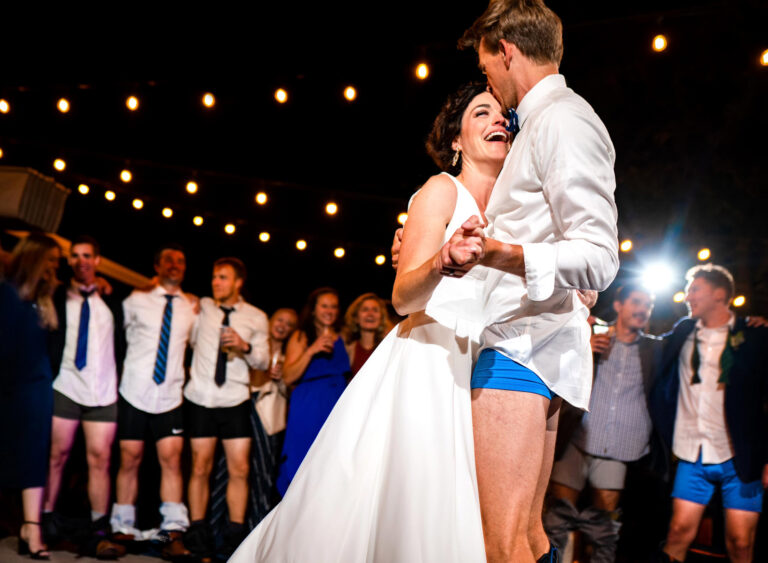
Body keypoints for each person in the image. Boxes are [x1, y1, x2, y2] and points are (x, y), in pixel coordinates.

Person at [230, 81, 507, 562]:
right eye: (481, 113)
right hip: (429, 363)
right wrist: (442, 261)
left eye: (503, 115)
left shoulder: (514, 208)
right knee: (414, 499)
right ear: (456, 140)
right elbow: (402, 296)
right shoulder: (442, 191)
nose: (498, 121)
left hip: (487, 370)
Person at [433, 2, 619, 560]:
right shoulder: (542, 123)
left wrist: (494, 250)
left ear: (505, 51)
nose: (486, 79)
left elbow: (597, 254)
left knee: (501, 542)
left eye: (487, 65)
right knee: (530, 537)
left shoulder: (561, 118)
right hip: (534, 345)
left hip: (520, 348)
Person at [650, 264, 768, 563]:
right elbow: (647, 348)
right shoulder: (684, 332)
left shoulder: (754, 336)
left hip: (739, 457)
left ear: (719, 294)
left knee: (741, 544)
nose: (687, 296)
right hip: (692, 453)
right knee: (677, 532)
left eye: (695, 289)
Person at [543, 285, 661, 561]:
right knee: (557, 520)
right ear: (619, 306)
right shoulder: (592, 334)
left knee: (604, 531)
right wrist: (583, 346)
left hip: (620, 447)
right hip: (578, 439)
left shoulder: (655, 348)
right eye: (636, 302)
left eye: (648, 304)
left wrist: (755, 328)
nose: (642, 309)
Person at [42, 235, 126, 558]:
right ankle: (45, 520)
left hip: (103, 390)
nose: (81, 261)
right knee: (57, 455)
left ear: (98, 260)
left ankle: (98, 528)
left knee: (100, 460)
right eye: (75, 256)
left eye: (87, 255)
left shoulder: (114, 300)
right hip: (66, 385)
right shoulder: (58, 295)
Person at [181, 257, 269, 560]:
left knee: (240, 470)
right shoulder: (202, 307)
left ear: (238, 282)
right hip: (201, 399)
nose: (216, 282)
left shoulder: (256, 317)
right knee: (200, 467)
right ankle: (197, 535)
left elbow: (263, 361)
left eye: (223, 277)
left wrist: (245, 346)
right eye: (214, 277)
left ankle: (233, 538)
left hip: (235, 400)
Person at [110, 244, 197, 547]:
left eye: (181, 260)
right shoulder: (136, 299)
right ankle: (122, 529)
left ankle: (171, 533)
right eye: (169, 260)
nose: (175, 264)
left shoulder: (192, 307)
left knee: (172, 461)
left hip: (170, 394)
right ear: (157, 266)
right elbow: (114, 338)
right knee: (129, 459)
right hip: (134, 391)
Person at [0, 233, 61, 560]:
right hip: (7, 386)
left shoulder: (46, 298)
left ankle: (31, 527)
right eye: (50, 259)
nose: (54, 266)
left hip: (36, 388)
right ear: (34, 257)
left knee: (35, 455)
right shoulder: (7, 294)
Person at [275, 287, 350, 495]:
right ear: (314, 310)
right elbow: (288, 376)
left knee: (332, 462)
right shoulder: (301, 335)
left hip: (336, 402)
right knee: (303, 457)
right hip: (308, 404)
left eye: (334, 306)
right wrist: (312, 350)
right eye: (324, 306)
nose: (330, 311)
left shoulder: (343, 337)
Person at [343, 292, 390, 378]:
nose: (370, 314)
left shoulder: (388, 348)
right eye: (365, 309)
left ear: (381, 318)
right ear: (356, 318)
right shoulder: (349, 350)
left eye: (375, 310)